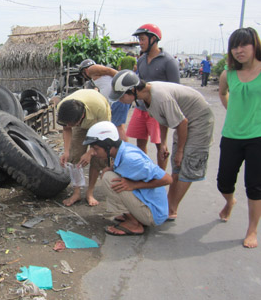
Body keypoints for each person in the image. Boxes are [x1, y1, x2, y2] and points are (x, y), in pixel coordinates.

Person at [110, 70, 214, 221]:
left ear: (132, 90)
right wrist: (163, 143)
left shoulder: (159, 97)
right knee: (177, 167)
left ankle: (171, 209)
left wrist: (179, 151)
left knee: (188, 163)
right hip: (184, 121)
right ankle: (168, 205)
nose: (120, 100)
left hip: (199, 121)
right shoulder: (145, 98)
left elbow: (182, 122)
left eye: (121, 96)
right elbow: (163, 118)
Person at [80, 121, 172, 236]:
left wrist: (134, 185)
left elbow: (168, 179)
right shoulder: (122, 150)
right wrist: (112, 167)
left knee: (109, 179)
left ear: (109, 146)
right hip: (149, 205)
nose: (93, 153)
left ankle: (134, 223)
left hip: (152, 214)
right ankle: (131, 215)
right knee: (108, 173)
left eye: (96, 148)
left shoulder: (131, 159)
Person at [217, 27, 261, 248]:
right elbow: (222, 92)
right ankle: (230, 201)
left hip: (257, 137)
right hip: (231, 135)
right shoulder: (228, 74)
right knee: (223, 182)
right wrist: (231, 111)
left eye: (244, 44)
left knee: (255, 186)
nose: (239, 50)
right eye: (235, 46)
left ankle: (252, 230)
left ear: (255, 45)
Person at [127, 24, 180, 170]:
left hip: (159, 111)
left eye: (143, 39)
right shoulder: (141, 60)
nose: (140, 42)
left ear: (154, 40)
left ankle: (160, 177)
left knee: (160, 145)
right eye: (139, 39)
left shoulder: (169, 62)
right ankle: (145, 172)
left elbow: (176, 89)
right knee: (140, 143)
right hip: (141, 108)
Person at [57, 89, 111, 206]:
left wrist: (91, 152)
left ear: (81, 116)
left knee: (98, 158)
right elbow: (67, 128)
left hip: (99, 124)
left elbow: (104, 132)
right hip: (80, 120)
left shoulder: (99, 107)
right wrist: (66, 151)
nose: (70, 126)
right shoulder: (63, 108)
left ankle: (90, 192)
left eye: (72, 124)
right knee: (73, 155)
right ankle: (76, 193)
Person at [78, 59, 131, 141]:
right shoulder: (96, 78)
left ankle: (124, 150)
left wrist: (121, 79)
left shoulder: (92, 69)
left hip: (117, 100)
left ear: (85, 70)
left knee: (118, 128)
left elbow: (109, 70)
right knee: (117, 127)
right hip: (117, 100)